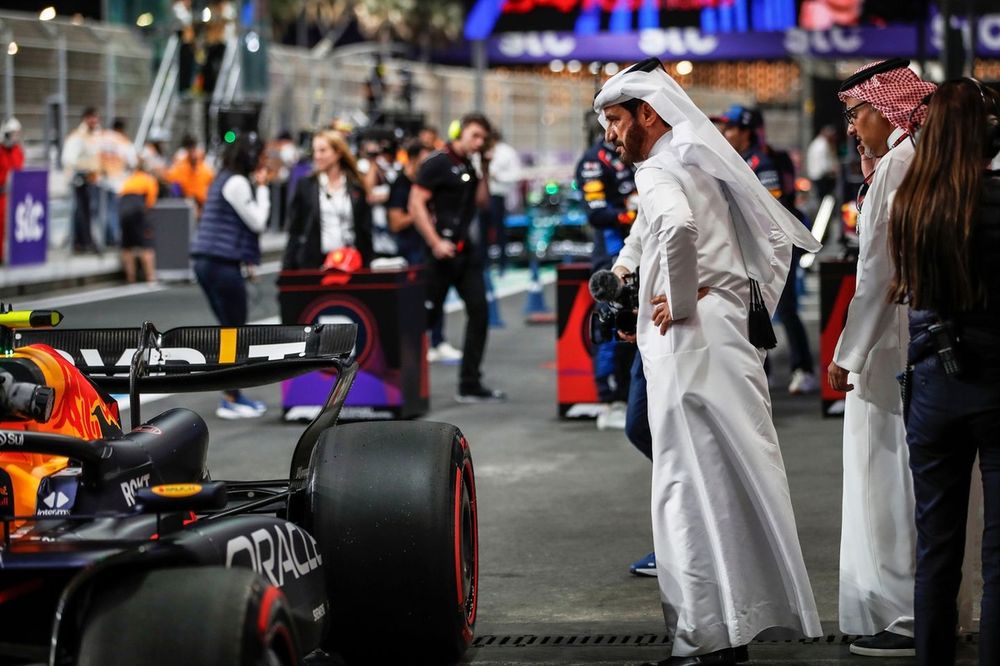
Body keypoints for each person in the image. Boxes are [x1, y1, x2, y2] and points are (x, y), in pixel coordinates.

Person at [595, 57, 822, 665]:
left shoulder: (662, 166)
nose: (611, 135)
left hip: (691, 345)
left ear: (648, 113)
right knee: (726, 488)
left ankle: (702, 639)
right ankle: (729, 634)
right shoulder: (694, 155)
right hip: (725, 338)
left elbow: (674, 223)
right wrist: (628, 276)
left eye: (616, 121)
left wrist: (680, 294)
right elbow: (757, 239)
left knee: (683, 492)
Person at [826, 58, 937, 658]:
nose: (851, 128)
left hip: (893, 346)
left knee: (889, 478)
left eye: (855, 113)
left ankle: (900, 617)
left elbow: (876, 273)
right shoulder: (928, 158)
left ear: (885, 107)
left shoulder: (898, 166)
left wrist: (849, 352)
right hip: (930, 340)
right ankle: (939, 609)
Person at [887, 78, 1000, 666]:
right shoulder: (994, 196)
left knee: (937, 548)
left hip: (931, 383)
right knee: (999, 550)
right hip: (993, 381)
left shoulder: (911, 201)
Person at [713, 104, 820, 395]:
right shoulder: (734, 161)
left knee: (785, 309)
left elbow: (770, 210)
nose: (726, 133)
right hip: (751, 247)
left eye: (732, 128)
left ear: (747, 133)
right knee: (756, 310)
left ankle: (804, 369)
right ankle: (765, 370)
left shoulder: (762, 162)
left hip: (775, 248)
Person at [409, 113, 505, 403]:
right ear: (460, 133)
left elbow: (482, 202)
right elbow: (416, 203)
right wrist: (435, 242)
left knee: (480, 312)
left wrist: (485, 168)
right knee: (424, 317)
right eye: (474, 136)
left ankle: (470, 383)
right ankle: (401, 384)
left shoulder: (470, 165)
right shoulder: (437, 162)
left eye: (482, 138)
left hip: (466, 253)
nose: (478, 142)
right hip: (439, 254)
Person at [189, 133, 270, 419]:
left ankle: (231, 394)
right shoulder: (237, 183)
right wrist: (262, 188)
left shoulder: (223, 178)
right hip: (219, 263)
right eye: (261, 154)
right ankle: (231, 397)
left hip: (208, 261)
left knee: (228, 330)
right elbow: (258, 221)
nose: (264, 161)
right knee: (235, 331)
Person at [575, 116, 639, 431]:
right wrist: (633, 212)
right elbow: (597, 213)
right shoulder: (593, 162)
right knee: (613, 323)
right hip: (613, 253)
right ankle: (610, 398)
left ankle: (629, 396)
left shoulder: (635, 155)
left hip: (640, 250)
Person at [281, 129, 373, 271]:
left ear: (338, 153)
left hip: (352, 262)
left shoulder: (356, 187)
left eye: (323, 151)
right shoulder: (306, 185)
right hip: (316, 263)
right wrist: (287, 270)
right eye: (315, 151)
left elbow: (365, 229)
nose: (317, 156)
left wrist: (368, 264)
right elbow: (295, 230)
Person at [61, 107, 102, 253]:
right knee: (82, 212)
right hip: (80, 181)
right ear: (86, 118)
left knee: (88, 212)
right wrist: (84, 171)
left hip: (91, 180)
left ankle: (85, 240)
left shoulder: (94, 135)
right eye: (92, 118)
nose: (95, 121)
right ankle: (82, 242)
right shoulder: (78, 136)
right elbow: (69, 159)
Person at [97, 118, 138, 248]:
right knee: (114, 211)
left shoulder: (102, 139)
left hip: (102, 181)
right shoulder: (123, 141)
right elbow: (133, 162)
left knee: (103, 211)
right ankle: (115, 238)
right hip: (118, 182)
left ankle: (107, 238)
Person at [484, 130, 521, 274]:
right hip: (483, 197)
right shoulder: (481, 151)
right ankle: (484, 263)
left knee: (499, 231)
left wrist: (497, 176)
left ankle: (502, 264)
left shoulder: (506, 152)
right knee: (482, 233)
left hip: (498, 195)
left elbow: (515, 174)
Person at [117, 159, 159, 283]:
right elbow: (151, 202)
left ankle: (131, 278)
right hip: (138, 209)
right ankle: (150, 277)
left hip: (123, 210)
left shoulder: (129, 180)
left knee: (127, 246)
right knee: (147, 245)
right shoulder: (148, 179)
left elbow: (119, 196)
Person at [167, 135, 215, 216]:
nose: (193, 153)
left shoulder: (205, 168)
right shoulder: (180, 166)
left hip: (203, 205)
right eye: (190, 148)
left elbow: (211, 182)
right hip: (187, 204)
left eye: (194, 148)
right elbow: (171, 179)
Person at [0, 117, 25, 262]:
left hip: (13, 195)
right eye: (13, 134)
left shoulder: (17, 151)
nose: (15, 137)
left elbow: (19, 170)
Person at [807, 124, 839, 203]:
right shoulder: (823, 144)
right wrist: (833, 169)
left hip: (816, 175)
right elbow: (824, 163)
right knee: (825, 200)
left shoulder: (817, 142)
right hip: (822, 176)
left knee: (821, 199)